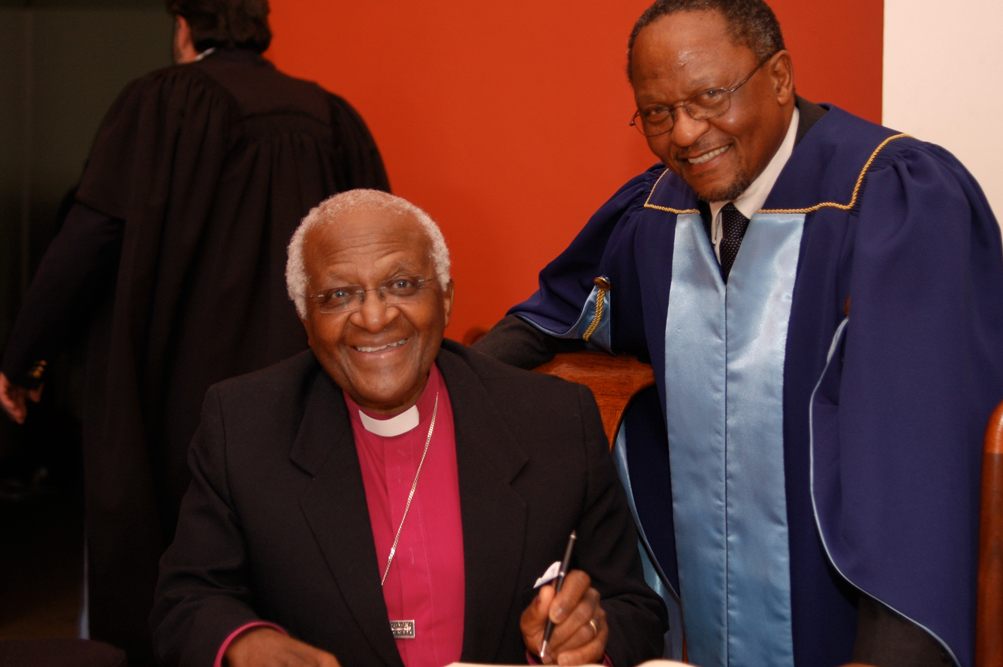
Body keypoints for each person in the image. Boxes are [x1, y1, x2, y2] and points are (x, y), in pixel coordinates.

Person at [473, 1, 1003, 667]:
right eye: (657, 113)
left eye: (708, 97)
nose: (686, 133)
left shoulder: (891, 199)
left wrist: (895, 654)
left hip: (853, 635)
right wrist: (445, 390)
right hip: (694, 629)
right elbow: (551, 312)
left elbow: (920, 458)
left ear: (779, 77)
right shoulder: (656, 216)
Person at [0, 0, 388, 662]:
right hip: (310, 397)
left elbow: (91, 236)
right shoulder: (331, 116)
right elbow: (379, 239)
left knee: (178, 563)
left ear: (183, 27)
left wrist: (24, 356)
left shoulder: (160, 102)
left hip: (179, 394)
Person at [149, 189, 668, 667]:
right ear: (305, 318)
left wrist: (586, 637)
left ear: (445, 298)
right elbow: (188, 599)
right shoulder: (243, 424)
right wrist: (245, 642)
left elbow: (634, 610)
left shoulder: (554, 420)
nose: (374, 318)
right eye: (338, 295)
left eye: (402, 284)